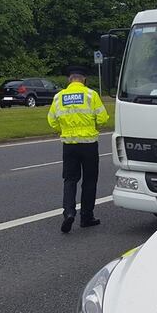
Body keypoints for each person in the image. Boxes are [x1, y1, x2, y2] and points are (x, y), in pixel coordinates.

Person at [47, 66, 109, 232]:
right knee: (89, 181)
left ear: (69, 79)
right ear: (84, 79)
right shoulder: (91, 95)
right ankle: (86, 217)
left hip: (69, 145)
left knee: (70, 180)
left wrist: (64, 129)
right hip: (88, 144)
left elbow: (52, 120)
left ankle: (69, 213)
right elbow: (103, 118)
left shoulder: (59, 96)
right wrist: (94, 125)